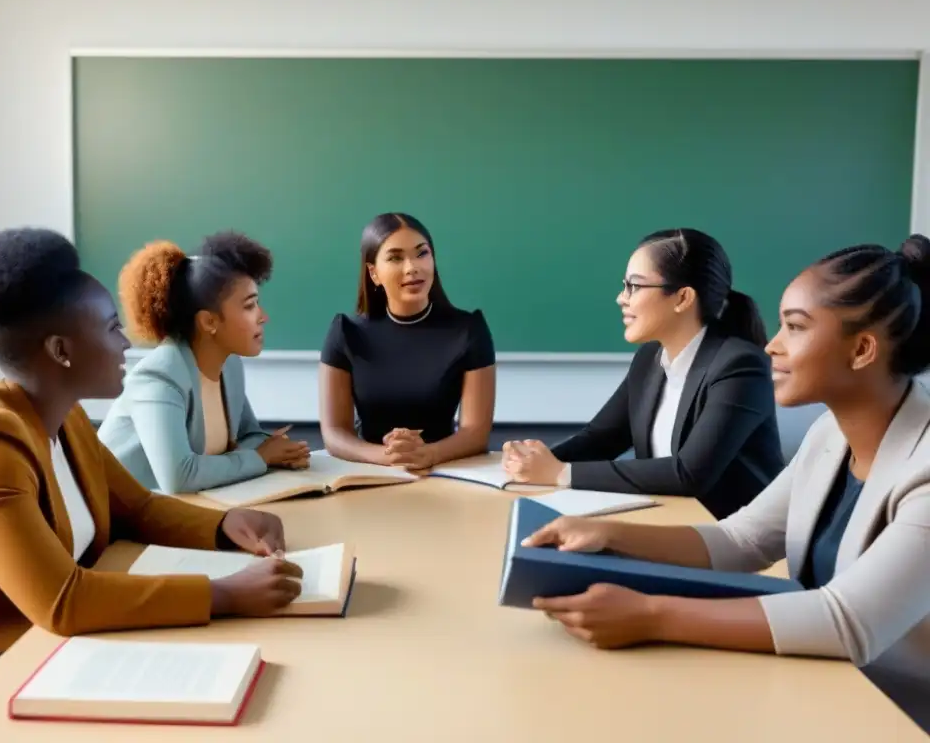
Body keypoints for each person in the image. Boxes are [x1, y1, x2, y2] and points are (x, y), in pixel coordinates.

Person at [522, 236, 930, 731]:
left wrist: (652, 615)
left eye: (796, 327)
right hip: (823, 686)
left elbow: (845, 622)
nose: (771, 345)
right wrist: (610, 536)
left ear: (863, 349)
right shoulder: (830, 434)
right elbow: (744, 539)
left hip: (897, 713)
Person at [0, 229, 305, 729]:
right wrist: (224, 593)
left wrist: (225, 526)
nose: (125, 342)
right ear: (61, 350)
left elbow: (137, 507)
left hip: (36, 635)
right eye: (113, 327)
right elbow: (64, 602)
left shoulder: (64, 417)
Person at [503, 228, 784, 520]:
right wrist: (535, 461)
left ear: (682, 298)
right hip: (668, 521)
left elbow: (689, 473)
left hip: (736, 540)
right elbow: (602, 438)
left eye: (634, 287)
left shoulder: (740, 365)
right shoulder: (650, 357)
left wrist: (561, 473)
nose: (621, 298)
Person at [97, 232, 309, 495]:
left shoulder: (230, 366)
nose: (263, 317)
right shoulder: (157, 377)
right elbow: (179, 477)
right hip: (114, 516)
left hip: (181, 509)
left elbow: (248, 435)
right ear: (209, 322)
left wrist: (280, 451)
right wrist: (262, 458)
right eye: (249, 306)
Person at [319, 213, 496, 469]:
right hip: (369, 471)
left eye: (421, 253)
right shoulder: (345, 332)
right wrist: (388, 456)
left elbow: (475, 434)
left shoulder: (469, 330)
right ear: (374, 273)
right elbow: (334, 433)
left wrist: (428, 454)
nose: (412, 267)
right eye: (395, 257)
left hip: (445, 470)